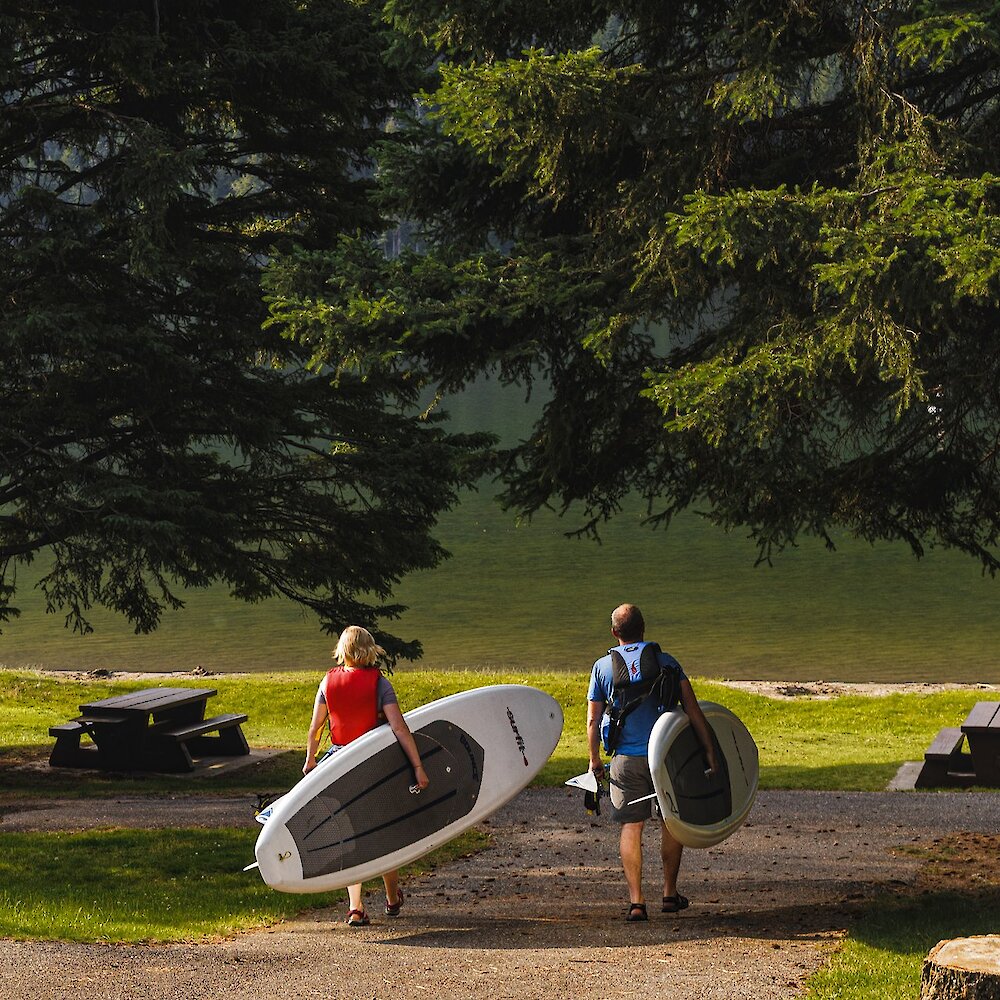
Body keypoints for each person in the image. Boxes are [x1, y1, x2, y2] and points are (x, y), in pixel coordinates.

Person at [587, 603, 718, 922]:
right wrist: (709, 749)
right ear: (644, 630)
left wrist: (594, 760)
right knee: (670, 822)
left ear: (614, 633)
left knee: (632, 826)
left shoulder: (602, 668)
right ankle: (670, 894)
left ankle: (636, 902)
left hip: (626, 761)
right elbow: (692, 710)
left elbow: (593, 720)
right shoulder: (667, 662)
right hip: (666, 756)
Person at [303, 625, 430, 927]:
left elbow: (316, 728)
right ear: (370, 650)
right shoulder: (379, 684)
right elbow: (399, 728)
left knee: (349, 834)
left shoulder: (327, 681)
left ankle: (356, 907)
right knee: (382, 830)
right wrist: (418, 767)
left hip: (338, 763)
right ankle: (391, 898)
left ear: (342, 651)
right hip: (372, 763)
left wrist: (310, 761)